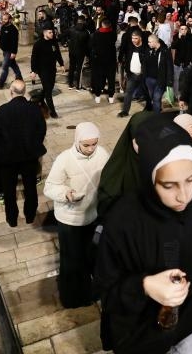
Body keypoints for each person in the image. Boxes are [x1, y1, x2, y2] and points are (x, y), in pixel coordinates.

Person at [95, 121, 192, 354]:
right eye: (169, 185)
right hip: (141, 331)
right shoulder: (122, 220)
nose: (183, 196)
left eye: (191, 179)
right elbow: (106, 291)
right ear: (150, 179)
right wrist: (145, 286)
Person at [43, 122, 110, 308]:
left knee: (90, 256)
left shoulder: (103, 154)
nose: (90, 149)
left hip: (92, 215)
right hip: (69, 219)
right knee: (71, 260)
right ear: (77, 141)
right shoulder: (64, 159)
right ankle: (71, 297)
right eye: (86, 145)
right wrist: (66, 193)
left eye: (94, 144)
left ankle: (90, 292)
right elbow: (50, 187)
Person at [0, 79, 47, 227]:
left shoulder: (2, 111)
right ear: (24, 92)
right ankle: (30, 216)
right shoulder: (34, 109)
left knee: (9, 191)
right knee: (30, 187)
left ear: (11, 92)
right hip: (29, 156)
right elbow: (41, 130)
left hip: (8, 158)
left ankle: (12, 219)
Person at [30, 25, 65, 119]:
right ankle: (52, 111)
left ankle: (39, 99)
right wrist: (33, 71)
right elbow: (34, 58)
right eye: (50, 32)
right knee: (48, 91)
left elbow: (58, 53)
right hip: (43, 70)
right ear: (44, 33)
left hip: (52, 69)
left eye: (52, 32)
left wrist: (61, 64)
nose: (52, 34)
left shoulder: (54, 42)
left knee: (49, 87)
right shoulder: (38, 44)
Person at [90, 18, 118, 104]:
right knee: (111, 79)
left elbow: (92, 46)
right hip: (111, 60)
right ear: (109, 25)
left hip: (99, 60)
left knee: (99, 78)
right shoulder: (113, 34)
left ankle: (98, 95)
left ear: (102, 25)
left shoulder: (96, 34)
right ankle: (110, 97)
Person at [0, 12, 23, 89]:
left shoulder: (13, 29)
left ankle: (0, 83)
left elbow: (14, 42)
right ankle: (19, 78)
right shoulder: (3, 27)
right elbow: (3, 37)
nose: (4, 20)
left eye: (5, 19)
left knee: (4, 67)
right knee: (13, 65)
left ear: (10, 19)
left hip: (10, 51)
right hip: (4, 50)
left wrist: (14, 52)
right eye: (3, 19)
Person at [67, 18, 91, 90]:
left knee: (71, 67)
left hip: (72, 52)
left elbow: (63, 36)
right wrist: (88, 54)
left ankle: (70, 84)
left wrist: (69, 43)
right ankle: (78, 85)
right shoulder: (86, 32)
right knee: (79, 69)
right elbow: (88, 45)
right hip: (81, 53)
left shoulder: (71, 29)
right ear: (83, 22)